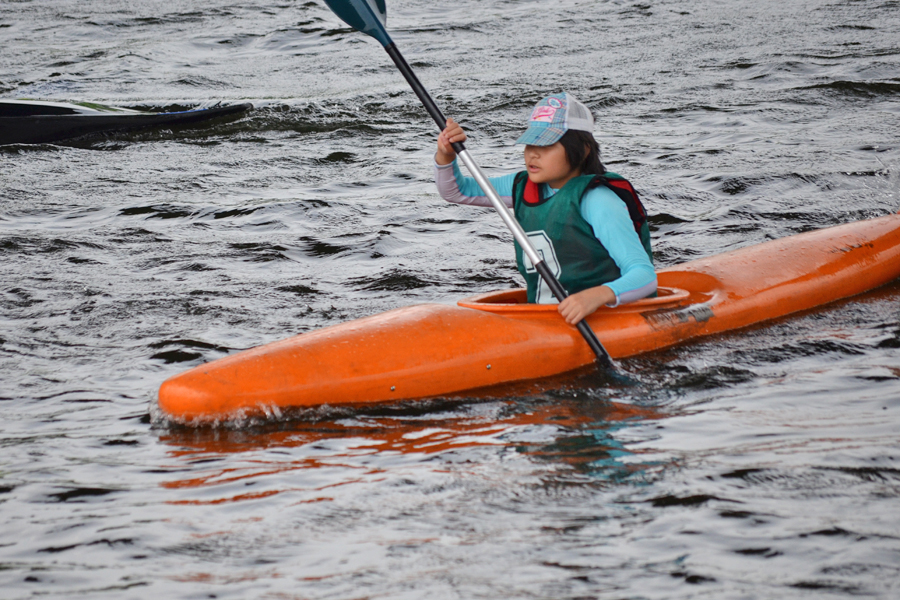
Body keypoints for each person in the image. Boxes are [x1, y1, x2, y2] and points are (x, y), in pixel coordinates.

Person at [434, 92, 656, 326]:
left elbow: (644, 275)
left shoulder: (598, 200)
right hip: (547, 320)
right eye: (530, 142)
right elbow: (456, 191)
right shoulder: (521, 186)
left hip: (604, 319)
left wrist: (598, 295)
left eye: (546, 144)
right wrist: (446, 154)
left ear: (584, 149)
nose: (533, 153)